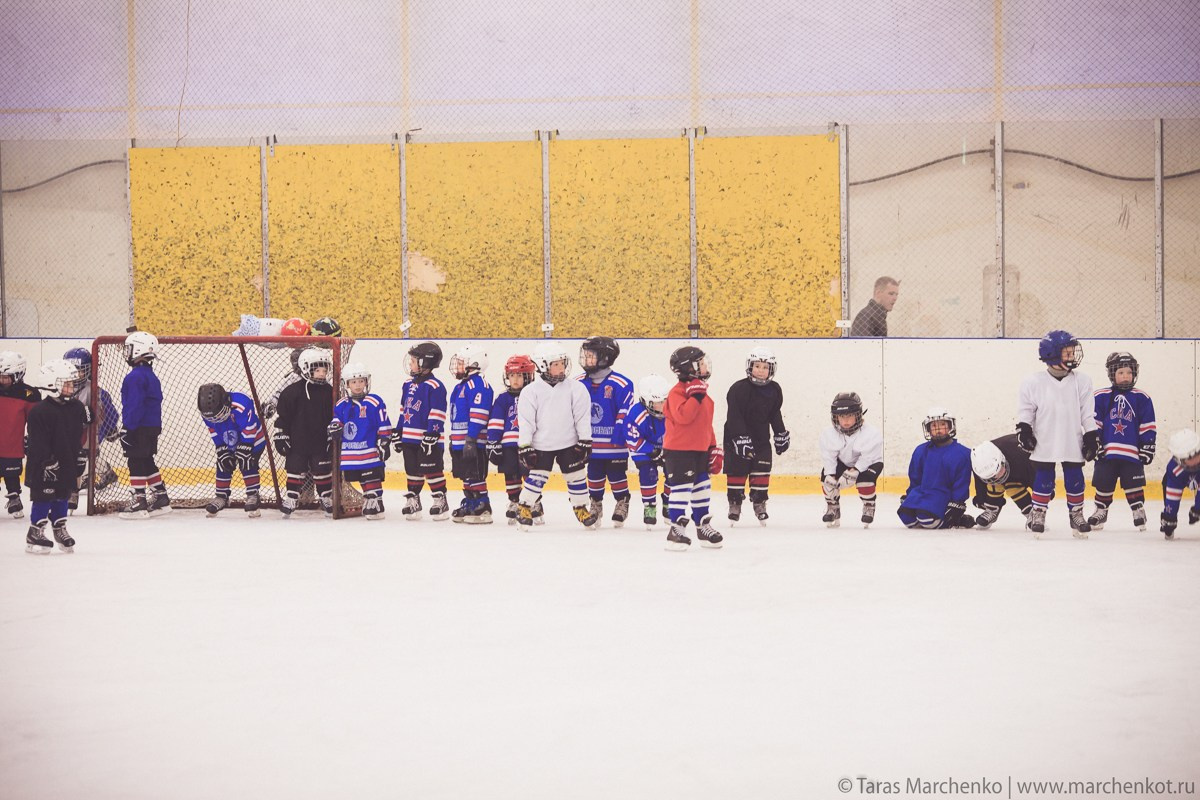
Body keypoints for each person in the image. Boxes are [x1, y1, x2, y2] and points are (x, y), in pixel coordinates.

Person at [1016, 330, 1100, 538]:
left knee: (1075, 477)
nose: (1072, 356)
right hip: (1045, 440)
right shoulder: (1033, 382)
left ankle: (1076, 513)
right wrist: (1024, 429)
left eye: (1072, 352)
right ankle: (1039, 513)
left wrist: (1091, 435)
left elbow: (1087, 413)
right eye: (1067, 353)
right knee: (1043, 477)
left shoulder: (1082, 381)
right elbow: (1026, 410)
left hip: (1072, 439)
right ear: (1052, 355)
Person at [514, 342, 596, 528]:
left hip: (569, 443)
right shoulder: (530, 392)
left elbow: (582, 417)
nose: (561, 368)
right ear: (543, 366)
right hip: (542, 444)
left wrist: (585, 440)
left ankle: (580, 507)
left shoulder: (576, 388)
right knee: (537, 477)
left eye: (562, 363)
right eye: (556, 364)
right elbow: (526, 422)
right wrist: (525, 446)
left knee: (576, 475)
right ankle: (525, 505)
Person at [663, 346, 724, 551]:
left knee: (702, 488)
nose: (706, 365)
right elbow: (684, 417)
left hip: (700, 450)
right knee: (680, 490)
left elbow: (706, 423)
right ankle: (676, 530)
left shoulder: (702, 394)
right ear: (689, 367)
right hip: (679, 451)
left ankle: (702, 526)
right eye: (701, 362)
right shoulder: (677, 393)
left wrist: (713, 447)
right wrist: (695, 397)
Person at [23, 360, 87, 554]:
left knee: (62, 495)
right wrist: (46, 462)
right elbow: (36, 441)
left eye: (71, 383)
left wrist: (78, 453)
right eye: (66, 383)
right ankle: (35, 531)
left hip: (66, 461)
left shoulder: (75, 407)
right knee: (44, 497)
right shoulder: (39, 411)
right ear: (52, 385)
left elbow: (76, 434)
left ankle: (59, 528)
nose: (72, 387)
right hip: (44, 465)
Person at [1087, 352, 1156, 531]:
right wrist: (1095, 443)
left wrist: (1148, 446)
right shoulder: (1100, 396)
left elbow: (1147, 425)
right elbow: (1095, 423)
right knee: (1103, 482)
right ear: (1112, 375)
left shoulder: (1142, 397)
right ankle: (1101, 510)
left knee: (1133, 483)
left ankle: (1138, 509)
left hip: (1132, 452)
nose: (1126, 376)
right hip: (1107, 453)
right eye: (1121, 373)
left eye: (1129, 372)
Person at [724, 346, 790, 525]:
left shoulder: (775, 390)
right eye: (757, 366)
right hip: (736, 438)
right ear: (750, 367)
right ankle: (735, 503)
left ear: (771, 369)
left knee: (762, 470)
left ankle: (760, 503)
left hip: (761, 439)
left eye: (765, 367)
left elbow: (774, 414)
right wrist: (739, 437)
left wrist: (780, 433)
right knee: (737, 471)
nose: (761, 370)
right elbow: (734, 416)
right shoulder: (738, 389)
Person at [578, 336, 635, 528]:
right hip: (590, 444)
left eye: (591, 356)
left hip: (613, 445)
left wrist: (619, 437)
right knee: (593, 476)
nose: (586, 359)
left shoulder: (621, 383)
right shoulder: (577, 383)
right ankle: (596, 504)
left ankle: (622, 501)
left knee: (617, 476)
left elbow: (624, 411)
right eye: (585, 355)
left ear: (605, 357)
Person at [273, 347, 335, 517]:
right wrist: (281, 435)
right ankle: (292, 497)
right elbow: (283, 417)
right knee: (294, 468)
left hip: (320, 441)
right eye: (318, 370)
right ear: (306, 368)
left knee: (322, 470)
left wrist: (332, 438)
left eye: (324, 369)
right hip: (297, 441)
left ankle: (326, 497)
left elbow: (334, 417)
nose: (322, 373)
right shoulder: (292, 392)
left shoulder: (330, 392)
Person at [392, 342, 451, 521]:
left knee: (432, 469)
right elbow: (404, 410)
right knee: (412, 470)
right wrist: (399, 430)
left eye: (413, 360)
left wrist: (433, 432)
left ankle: (440, 499)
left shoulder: (435, 386)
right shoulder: (407, 384)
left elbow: (438, 411)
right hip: (409, 438)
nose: (410, 364)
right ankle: (413, 500)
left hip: (428, 440)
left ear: (425, 362)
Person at [117, 332, 173, 519]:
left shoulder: (134, 377)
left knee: (135, 461)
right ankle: (161, 497)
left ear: (138, 350)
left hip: (138, 426)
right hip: (151, 426)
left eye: (129, 348)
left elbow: (134, 404)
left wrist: (128, 428)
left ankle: (139, 501)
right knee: (147, 460)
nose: (127, 352)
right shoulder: (150, 375)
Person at [329, 363, 393, 520]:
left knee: (371, 475)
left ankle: (375, 501)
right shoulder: (341, 404)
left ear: (366, 382)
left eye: (361, 381)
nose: (357, 385)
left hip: (369, 449)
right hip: (351, 451)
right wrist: (334, 427)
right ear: (347, 384)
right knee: (360, 477)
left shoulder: (374, 401)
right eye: (353, 382)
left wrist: (384, 440)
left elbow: (383, 422)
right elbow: (337, 420)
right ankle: (370, 498)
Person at [62, 347, 119, 512]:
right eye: (72, 371)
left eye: (80, 371)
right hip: (67, 432)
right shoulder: (61, 387)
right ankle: (106, 474)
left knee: (85, 455)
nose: (76, 375)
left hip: (87, 432)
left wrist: (110, 428)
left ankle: (73, 491)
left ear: (88, 370)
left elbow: (109, 410)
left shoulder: (94, 390)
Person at [897, 407, 974, 530]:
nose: (938, 429)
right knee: (907, 518)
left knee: (926, 519)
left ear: (950, 427)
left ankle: (958, 520)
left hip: (942, 495)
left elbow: (961, 482)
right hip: (922, 493)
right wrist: (910, 495)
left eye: (942, 425)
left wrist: (957, 503)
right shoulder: (920, 450)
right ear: (928, 429)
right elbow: (915, 478)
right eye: (933, 426)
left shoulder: (961, 453)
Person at [197, 383, 266, 518]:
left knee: (247, 463)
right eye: (212, 418)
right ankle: (221, 496)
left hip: (253, 439)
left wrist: (246, 447)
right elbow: (213, 430)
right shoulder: (207, 412)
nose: (215, 419)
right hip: (229, 439)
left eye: (219, 415)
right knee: (223, 463)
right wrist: (221, 448)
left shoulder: (241, 403)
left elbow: (249, 427)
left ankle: (253, 495)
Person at [488, 355, 542, 525]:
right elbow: (496, 421)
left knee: (529, 474)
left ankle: (534, 503)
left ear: (529, 376)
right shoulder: (503, 399)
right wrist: (493, 442)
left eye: (520, 375)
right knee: (511, 474)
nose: (515, 380)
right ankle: (514, 501)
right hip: (508, 445)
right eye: (512, 375)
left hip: (529, 445)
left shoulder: (536, 396)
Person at [818, 392, 884, 528]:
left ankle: (869, 505)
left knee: (864, 482)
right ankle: (833, 506)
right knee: (827, 480)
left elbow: (868, 456)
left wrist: (855, 470)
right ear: (835, 417)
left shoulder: (871, 433)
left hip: (871, 463)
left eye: (850, 416)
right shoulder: (828, 434)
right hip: (845, 462)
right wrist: (830, 474)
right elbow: (829, 457)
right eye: (842, 416)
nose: (846, 421)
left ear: (858, 415)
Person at [448, 346, 494, 524]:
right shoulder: (462, 386)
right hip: (461, 441)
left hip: (474, 442)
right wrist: (455, 439)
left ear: (474, 364)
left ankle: (483, 504)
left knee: (475, 474)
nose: (457, 367)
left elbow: (479, 414)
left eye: (461, 363)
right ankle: (470, 501)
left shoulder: (479, 385)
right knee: (466, 474)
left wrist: (471, 438)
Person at [626, 374, 670, 528]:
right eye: (657, 403)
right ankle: (649, 506)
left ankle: (668, 501)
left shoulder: (672, 411)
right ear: (646, 401)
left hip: (665, 447)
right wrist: (652, 451)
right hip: (643, 450)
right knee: (648, 473)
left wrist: (667, 451)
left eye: (664, 401)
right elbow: (633, 440)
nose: (662, 406)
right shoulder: (635, 414)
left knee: (674, 471)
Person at [0, 351, 41, 518]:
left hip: (12, 444)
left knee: (11, 473)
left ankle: (14, 497)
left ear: (18, 374)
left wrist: (32, 440)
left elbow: (37, 422)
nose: (2, 381)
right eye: (0, 376)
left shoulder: (29, 395)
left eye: (6, 377)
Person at [969, 435, 1035, 529]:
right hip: (1011, 461)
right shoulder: (979, 463)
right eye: (989, 477)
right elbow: (981, 484)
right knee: (994, 484)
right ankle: (992, 509)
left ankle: (1032, 513)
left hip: (1019, 466)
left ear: (1002, 460)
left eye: (998, 472)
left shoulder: (1023, 456)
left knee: (1013, 487)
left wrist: (1043, 491)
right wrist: (981, 500)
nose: (997, 479)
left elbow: (1037, 475)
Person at [1160, 429, 1200, 540]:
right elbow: (1173, 496)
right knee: (1169, 519)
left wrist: (1198, 508)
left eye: (1197, 454)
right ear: (1179, 459)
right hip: (1178, 478)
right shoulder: (1174, 469)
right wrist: (1170, 517)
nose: (1195, 461)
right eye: (1190, 458)